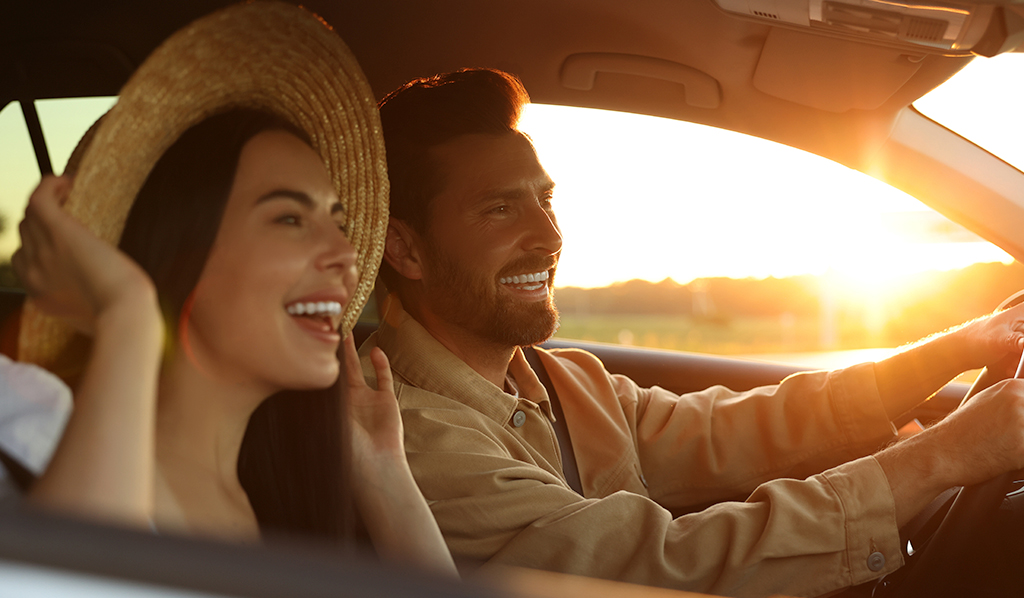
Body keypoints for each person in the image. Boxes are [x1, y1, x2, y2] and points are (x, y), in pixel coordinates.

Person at [363, 67, 1024, 596]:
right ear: (406, 250)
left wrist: (959, 350)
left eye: (546, 199)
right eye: (499, 209)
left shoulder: (566, 380)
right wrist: (942, 458)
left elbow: (734, 430)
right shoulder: (406, 436)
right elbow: (659, 565)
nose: (549, 237)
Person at [9, 3, 454, 575]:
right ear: (173, 248)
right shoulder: (30, 426)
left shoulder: (282, 500)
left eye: (340, 225)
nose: (347, 256)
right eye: (290, 219)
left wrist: (383, 470)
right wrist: (130, 316)